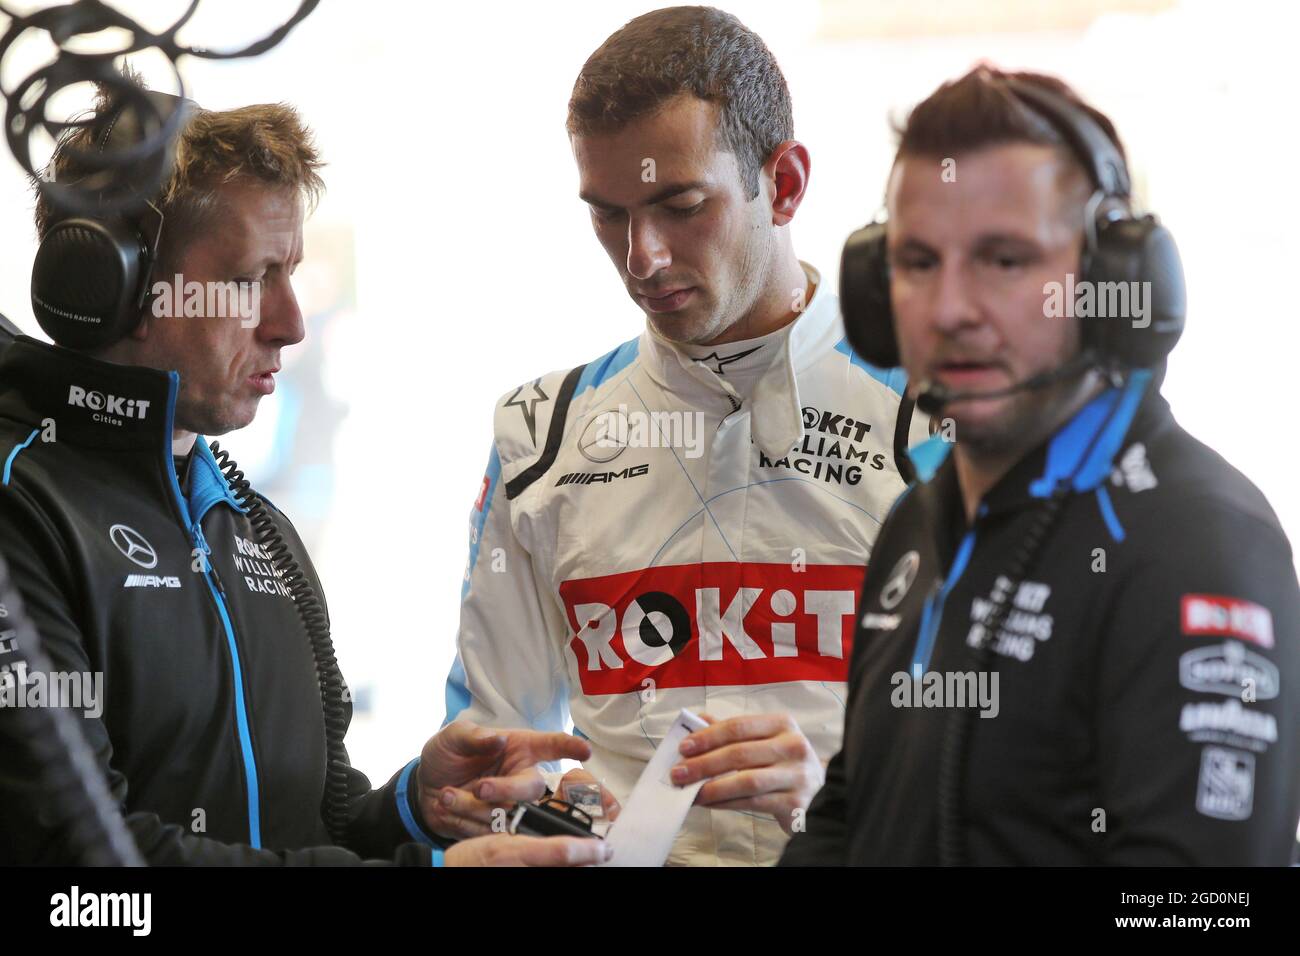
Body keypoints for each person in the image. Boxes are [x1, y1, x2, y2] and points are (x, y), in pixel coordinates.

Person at [0, 79, 610, 867]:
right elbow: (82, 869)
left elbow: (312, 826)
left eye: (292, 273)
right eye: (254, 278)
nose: (290, 324)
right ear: (119, 288)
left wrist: (412, 808)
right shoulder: (22, 513)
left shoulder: (254, 528)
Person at [442, 6, 927, 865]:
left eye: (680, 205)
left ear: (784, 185)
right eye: (608, 214)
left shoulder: (932, 421)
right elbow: (488, 761)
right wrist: (526, 808)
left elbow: (1017, 772)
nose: (643, 257)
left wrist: (836, 808)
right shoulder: (539, 435)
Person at [780, 66, 1300, 865]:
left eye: (1005, 259)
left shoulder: (1199, 543)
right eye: (919, 261)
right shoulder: (917, 520)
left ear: (1109, 284)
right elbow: (850, 814)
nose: (952, 308)